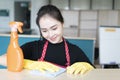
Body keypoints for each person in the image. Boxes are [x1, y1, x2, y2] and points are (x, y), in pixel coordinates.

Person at [0, 4, 94, 75]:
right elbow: (2, 59)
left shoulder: (74, 51)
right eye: (44, 31)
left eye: (54, 28)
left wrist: (87, 67)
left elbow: (94, 71)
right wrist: (28, 64)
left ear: (62, 23)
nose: (50, 34)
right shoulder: (34, 47)